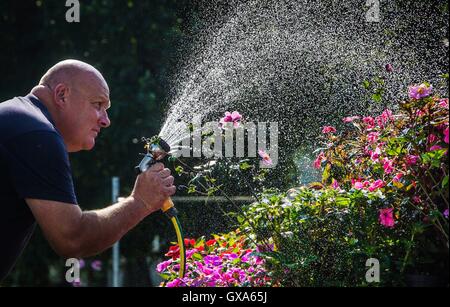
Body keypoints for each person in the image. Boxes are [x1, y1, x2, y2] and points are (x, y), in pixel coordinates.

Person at [0, 59, 176, 282]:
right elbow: (72, 238)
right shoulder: (37, 133)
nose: (106, 121)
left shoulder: (20, 120)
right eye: (97, 104)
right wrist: (139, 202)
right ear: (62, 95)